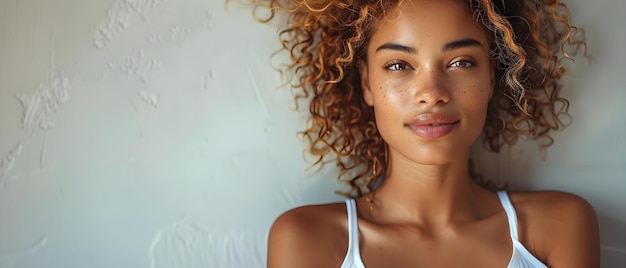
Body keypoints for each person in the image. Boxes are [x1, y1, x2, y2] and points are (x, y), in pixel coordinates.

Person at [244, 0, 600, 267]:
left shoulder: (559, 226)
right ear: (367, 82)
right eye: (398, 65)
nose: (432, 92)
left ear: (491, 77)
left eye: (461, 62)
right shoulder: (309, 240)